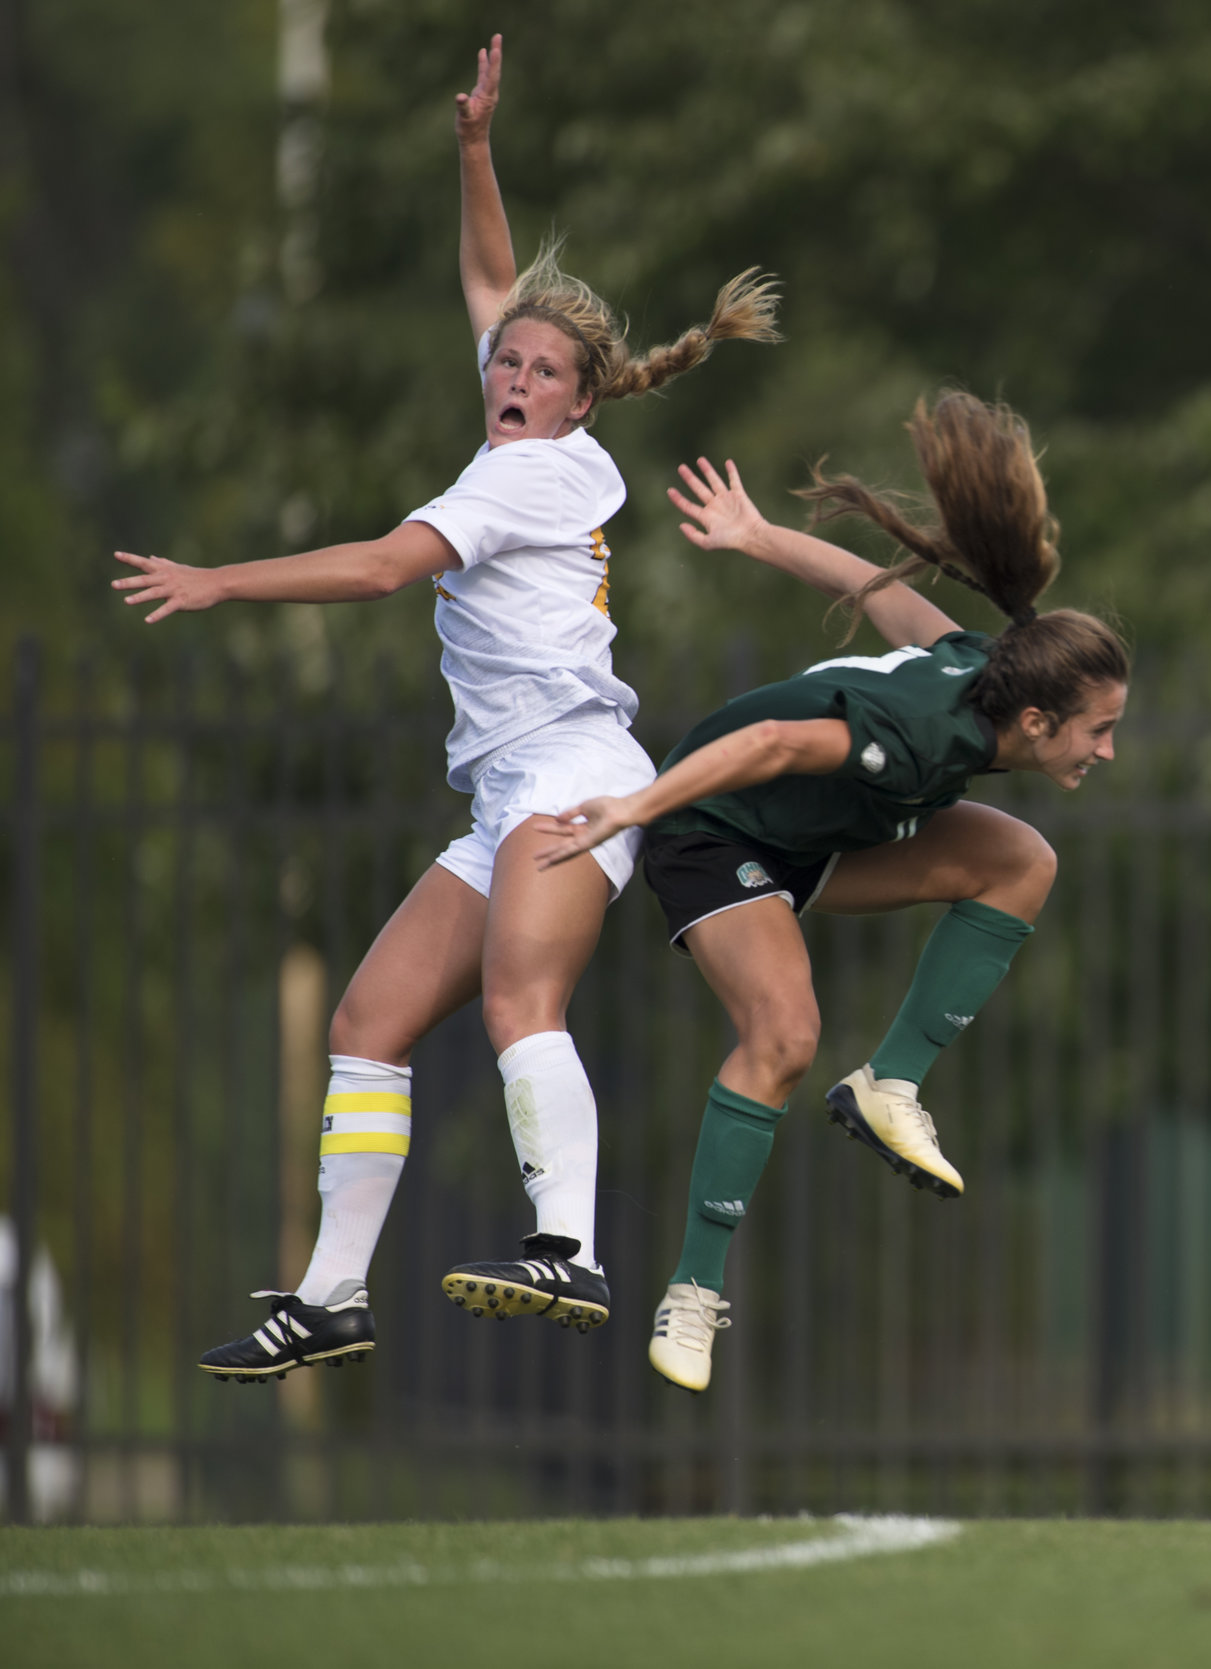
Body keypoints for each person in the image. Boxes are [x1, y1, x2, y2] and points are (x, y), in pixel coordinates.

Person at [112, 37, 780, 1382]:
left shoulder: (524, 481)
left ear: (583, 400)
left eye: (540, 369)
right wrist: (475, 148)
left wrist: (220, 581)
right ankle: (332, 1296)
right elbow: (494, 280)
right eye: (505, 364)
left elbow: (374, 569)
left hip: (576, 775)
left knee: (519, 998)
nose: (514, 373)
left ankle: (571, 1249)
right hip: (505, 793)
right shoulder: (517, 436)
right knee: (368, 1022)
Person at [533, 393, 1127, 1392]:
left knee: (1022, 859)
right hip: (713, 834)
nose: (1108, 749)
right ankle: (691, 1289)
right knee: (785, 1036)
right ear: (1034, 722)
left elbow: (872, 585)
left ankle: (889, 1083)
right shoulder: (925, 735)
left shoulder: (985, 674)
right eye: (1097, 730)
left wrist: (759, 535)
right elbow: (767, 745)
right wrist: (636, 806)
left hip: (818, 838)